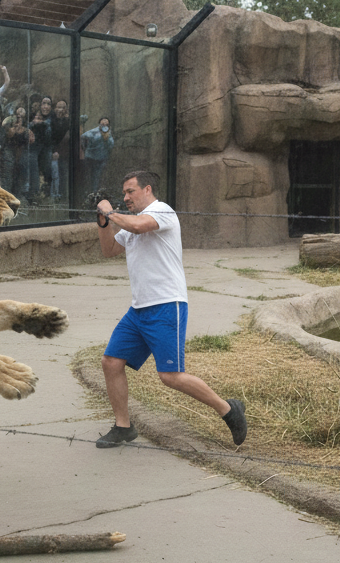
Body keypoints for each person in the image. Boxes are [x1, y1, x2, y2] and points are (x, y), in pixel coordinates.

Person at [93, 170, 247, 449]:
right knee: (110, 362)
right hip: (138, 309)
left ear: (147, 189)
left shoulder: (161, 211)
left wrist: (111, 212)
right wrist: (103, 221)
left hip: (166, 305)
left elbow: (140, 226)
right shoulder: (131, 223)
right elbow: (109, 251)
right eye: (124, 193)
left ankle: (228, 409)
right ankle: (123, 426)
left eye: (131, 191)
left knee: (170, 376)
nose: (126, 197)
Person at [82, 116, 114, 193]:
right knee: (88, 175)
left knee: (97, 176)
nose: (104, 125)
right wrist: (85, 148)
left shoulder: (108, 133)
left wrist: (107, 138)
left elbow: (111, 145)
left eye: (106, 124)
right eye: (103, 123)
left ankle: (95, 192)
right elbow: (83, 137)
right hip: (90, 157)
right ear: (99, 123)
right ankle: (87, 192)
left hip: (101, 158)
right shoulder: (93, 132)